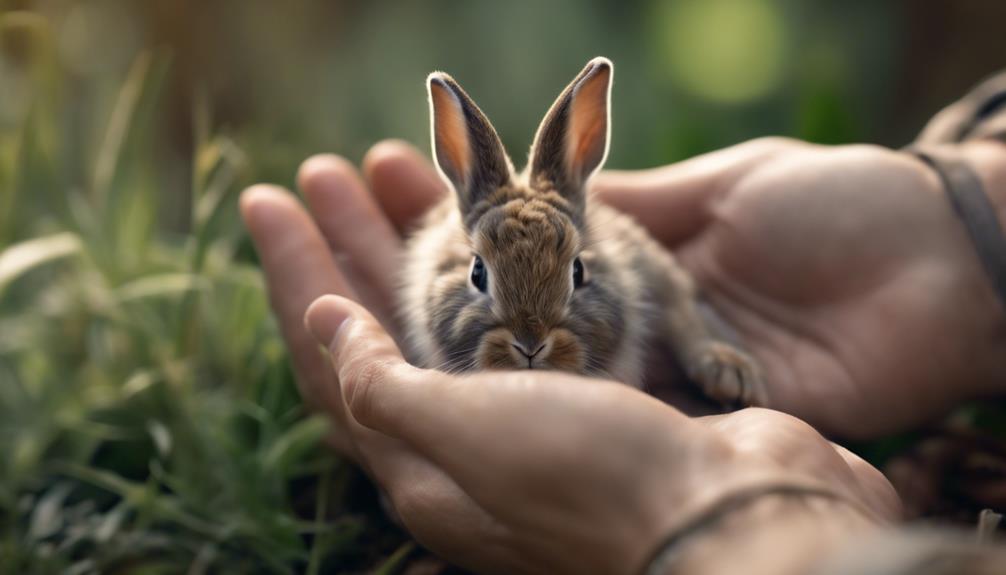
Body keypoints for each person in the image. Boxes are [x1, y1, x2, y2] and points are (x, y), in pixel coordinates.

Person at [239, 71, 1006, 573]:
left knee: (651, 283)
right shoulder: (441, 265)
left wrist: (700, 350)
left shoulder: (610, 248)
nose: (534, 338)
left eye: (573, 281)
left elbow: (659, 284)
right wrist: (974, 224)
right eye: (483, 281)